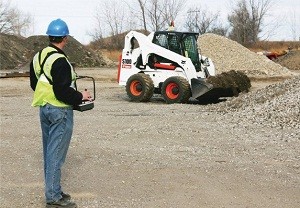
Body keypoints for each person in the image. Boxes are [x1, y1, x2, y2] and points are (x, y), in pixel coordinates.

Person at [30, 18, 91, 208]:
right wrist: (81, 96)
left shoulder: (39, 56)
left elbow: (35, 84)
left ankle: (54, 190)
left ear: (50, 37)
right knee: (56, 154)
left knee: (49, 153)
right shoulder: (61, 61)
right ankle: (53, 198)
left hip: (45, 109)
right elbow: (62, 91)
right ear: (64, 38)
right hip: (60, 112)